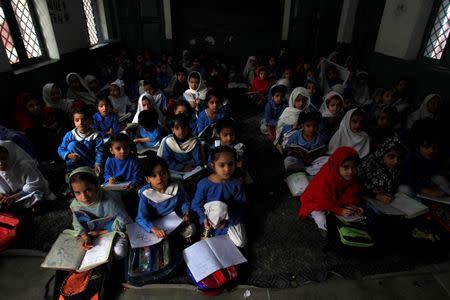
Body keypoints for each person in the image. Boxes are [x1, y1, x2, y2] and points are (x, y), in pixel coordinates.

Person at [68, 167, 131, 260]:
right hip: (93, 235)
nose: (84, 197)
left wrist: (101, 232)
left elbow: (125, 220)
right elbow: (78, 225)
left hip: (115, 232)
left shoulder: (110, 200)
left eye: (87, 190)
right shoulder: (75, 205)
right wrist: (86, 237)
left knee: (119, 252)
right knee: (78, 254)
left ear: (97, 185)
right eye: (77, 193)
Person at [298, 147, 364, 233]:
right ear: (336, 164)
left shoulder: (350, 176)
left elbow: (351, 192)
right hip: (315, 201)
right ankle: (313, 216)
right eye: (346, 167)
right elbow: (322, 200)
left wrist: (353, 206)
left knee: (352, 215)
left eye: (354, 167)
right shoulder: (326, 178)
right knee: (322, 220)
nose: (351, 171)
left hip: (334, 199)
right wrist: (339, 210)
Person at [191, 146, 247, 247]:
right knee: (207, 244)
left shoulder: (236, 184)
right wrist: (204, 218)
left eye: (231, 164)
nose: (227, 169)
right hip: (210, 218)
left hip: (230, 217)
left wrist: (227, 220)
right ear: (213, 166)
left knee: (240, 242)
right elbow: (196, 204)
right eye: (222, 165)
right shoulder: (204, 184)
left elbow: (241, 205)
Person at [136, 156, 195, 241]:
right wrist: (154, 229)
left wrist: (186, 212)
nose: (159, 178)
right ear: (147, 179)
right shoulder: (145, 193)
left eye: (163, 173)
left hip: (177, 220)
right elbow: (141, 217)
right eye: (154, 176)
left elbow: (184, 202)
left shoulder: (177, 186)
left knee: (191, 230)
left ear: (168, 173)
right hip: (157, 223)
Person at [0, 140, 55, 210]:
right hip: (10, 197)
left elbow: (36, 184)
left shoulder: (23, 165)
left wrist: (14, 197)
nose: (1, 163)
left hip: (26, 193)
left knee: (37, 195)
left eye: (3, 158)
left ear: (9, 156)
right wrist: (2, 196)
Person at [400, 119, 449, 198]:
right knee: (405, 190)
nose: (431, 151)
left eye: (435, 147)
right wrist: (427, 191)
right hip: (410, 185)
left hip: (425, 182)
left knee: (440, 179)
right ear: (417, 145)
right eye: (426, 146)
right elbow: (409, 181)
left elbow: (432, 173)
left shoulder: (435, 155)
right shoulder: (410, 158)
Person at [359, 137, 406, 202]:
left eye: (399, 157)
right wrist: (376, 196)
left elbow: (394, 187)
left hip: (388, 199)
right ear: (383, 154)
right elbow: (358, 186)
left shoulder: (398, 166)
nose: (396, 161)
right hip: (367, 198)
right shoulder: (369, 163)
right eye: (391, 157)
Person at [58, 106, 103, 173]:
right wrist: (68, 155)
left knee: (73, 145)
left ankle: (89, 170)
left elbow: (99, 151)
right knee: (71, 145)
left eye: (84, 120)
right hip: (74, 165)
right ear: (74, 121)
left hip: (90, 163)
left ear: (90, 120)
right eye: (77, 120)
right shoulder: (70, 135)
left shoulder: (96, 135)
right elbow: (61, 149)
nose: (80, 123)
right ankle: (72, 171)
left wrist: (98, 163)